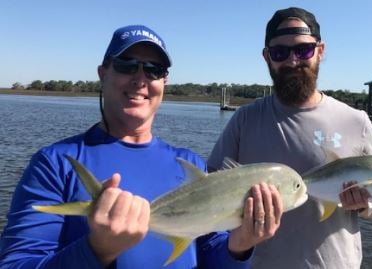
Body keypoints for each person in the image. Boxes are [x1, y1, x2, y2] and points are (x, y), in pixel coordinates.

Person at [0, 25, 284, 269]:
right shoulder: (55, 163)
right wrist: (97, 249)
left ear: (164, 82)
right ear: (103, 73)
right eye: (127, 65)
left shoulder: (189, 163)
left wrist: (241, 245)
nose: (140, 78)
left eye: (153, 69)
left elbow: (212, 257)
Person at [208, 7, 372, 269]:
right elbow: (209, 190)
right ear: (267, 57)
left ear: (321, 50)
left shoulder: (356, 121)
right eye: (280, 52)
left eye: (303, 50)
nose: (293, 61)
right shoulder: (244, 120)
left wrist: (366, 205)